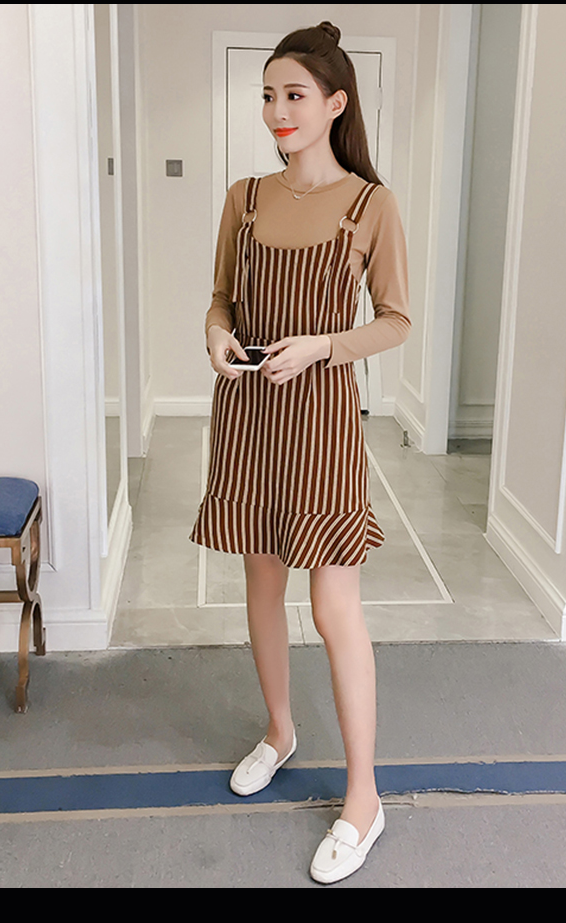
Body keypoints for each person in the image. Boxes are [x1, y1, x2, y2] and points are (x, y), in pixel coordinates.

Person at [189, 21, 410, 884]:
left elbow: (395, 321)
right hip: (247, 414)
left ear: (335, 103)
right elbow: (219, 299)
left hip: (322, 420)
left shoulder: (369, 204)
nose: (278, 110)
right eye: (269, 95)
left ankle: (364, 797)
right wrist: (216, 337)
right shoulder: (244, 198)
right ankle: (280, 730)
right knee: (261, 583)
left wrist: (323, 346)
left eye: (294, 95)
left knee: (332, 605)